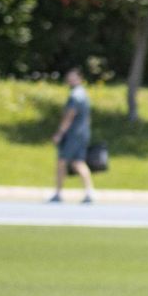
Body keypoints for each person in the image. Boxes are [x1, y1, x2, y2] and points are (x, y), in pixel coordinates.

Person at [49, 69, 96, 204]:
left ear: (80, 79)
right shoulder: (84, 94)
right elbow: (87, 118)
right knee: (78, 162)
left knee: (62, 161)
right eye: (69, 78)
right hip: (83, 133)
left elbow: (69, 116)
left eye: (73, 78)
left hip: (73, 134)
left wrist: (59, 133)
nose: (70, 81)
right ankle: (89, 192)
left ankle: (58, 193)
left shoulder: (75, 95)